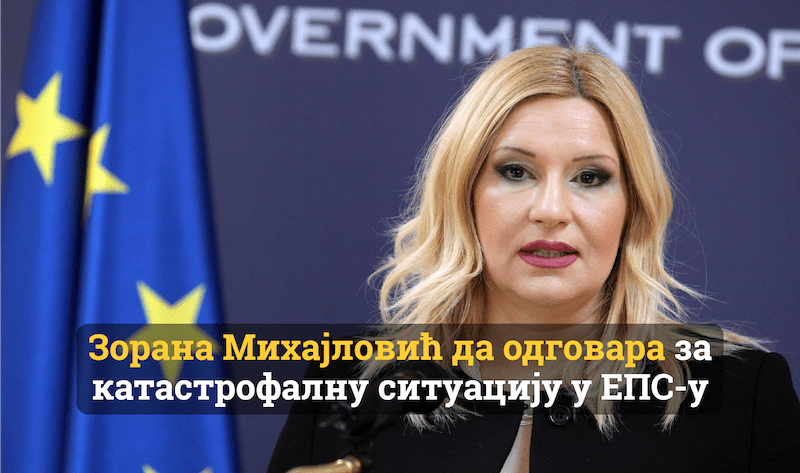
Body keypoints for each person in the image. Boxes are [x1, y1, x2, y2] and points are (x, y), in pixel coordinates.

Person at [267, 45, 800, 473]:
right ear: (464, 195)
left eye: (590, 177)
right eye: (515, 172)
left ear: (633, 206)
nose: (551, 210)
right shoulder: (348, 382)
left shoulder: (744, 394)